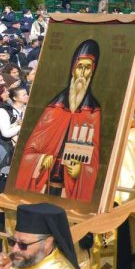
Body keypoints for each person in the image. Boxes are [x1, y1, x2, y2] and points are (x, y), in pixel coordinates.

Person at [14, 40, 102, 203]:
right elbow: (30, 150)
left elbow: (95, 160)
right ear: (72, 68)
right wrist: (40, 159)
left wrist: (80, 170)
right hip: (44, 183)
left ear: (93, 71)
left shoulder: (92, 112)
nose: (82, 73)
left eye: (87, 67)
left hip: (67, 190)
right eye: (79, 66)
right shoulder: (55, 107)